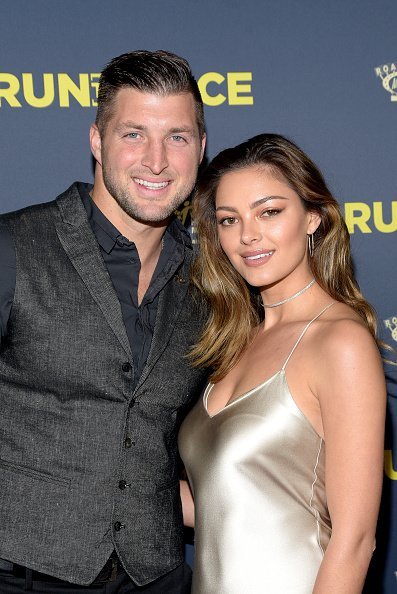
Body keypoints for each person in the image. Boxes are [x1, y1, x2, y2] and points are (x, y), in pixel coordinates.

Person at [0, 50, 208, 593]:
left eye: (178, 137)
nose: (157, 161)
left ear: (201, 148)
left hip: (156, 575)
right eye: (134, 134)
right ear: (97, 141)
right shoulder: (15, 247)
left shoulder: (211, 286)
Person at [178, 133, 386, 593]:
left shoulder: (340, 343)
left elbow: (353, 541)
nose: (248, 235)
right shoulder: (234, 341)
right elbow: (228, 502)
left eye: (269, 211)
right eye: (229, 220)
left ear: (312, 217)